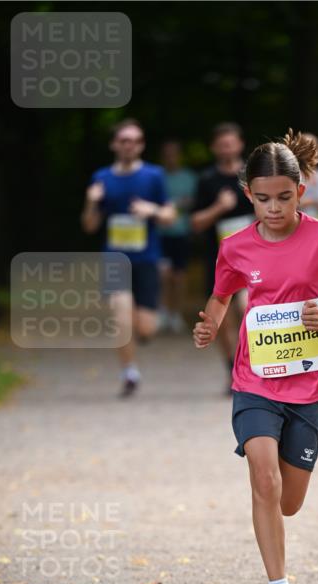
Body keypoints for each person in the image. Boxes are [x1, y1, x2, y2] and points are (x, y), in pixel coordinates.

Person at [193, 130, 318, 584]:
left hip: (311, 384)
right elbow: (222, 294)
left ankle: (279, 560)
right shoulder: (234, 246)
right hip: (256, 381)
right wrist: (211, 323)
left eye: (284, 198)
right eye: (264, 198)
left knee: (289, 501)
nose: (274, 208)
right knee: (263, 478)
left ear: (301, 192)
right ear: (248, 193)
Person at [82, 119, 175, 397]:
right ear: (114, 144)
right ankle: (129, 372)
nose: (129, 145)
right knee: (120, 311)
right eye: (124, 140)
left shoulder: (154, 175)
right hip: (115, 258)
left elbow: (170, 216)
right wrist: (91, 201)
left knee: (146, 328)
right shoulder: (101, 177)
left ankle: (141, 328)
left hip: (147, 257)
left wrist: (152, 210)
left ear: (141, 145)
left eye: (134, 140)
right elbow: (89, 226)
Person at [191, 123, 254, 392]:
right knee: (222, 319)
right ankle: (232, 368)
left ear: (240, 144)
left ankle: (251, 366)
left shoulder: (254, 174)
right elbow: (195, 223)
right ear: (214, 148)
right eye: (222, 145)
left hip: (253, 259)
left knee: (247, 306)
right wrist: (218, 207)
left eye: (231, 143)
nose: (227, 149)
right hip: (220, 260)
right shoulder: (207, 180)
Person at [158, 139, 198, 334]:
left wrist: (175, 204)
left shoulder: (189, 177)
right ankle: (163, 312)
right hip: (160, 233)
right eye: (167, 154)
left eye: (174, 154)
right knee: (163, 275)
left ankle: (177, 314)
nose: (170, 158)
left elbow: (192, 201)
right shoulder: (157, 176)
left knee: (179, 276)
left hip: (181, 233)